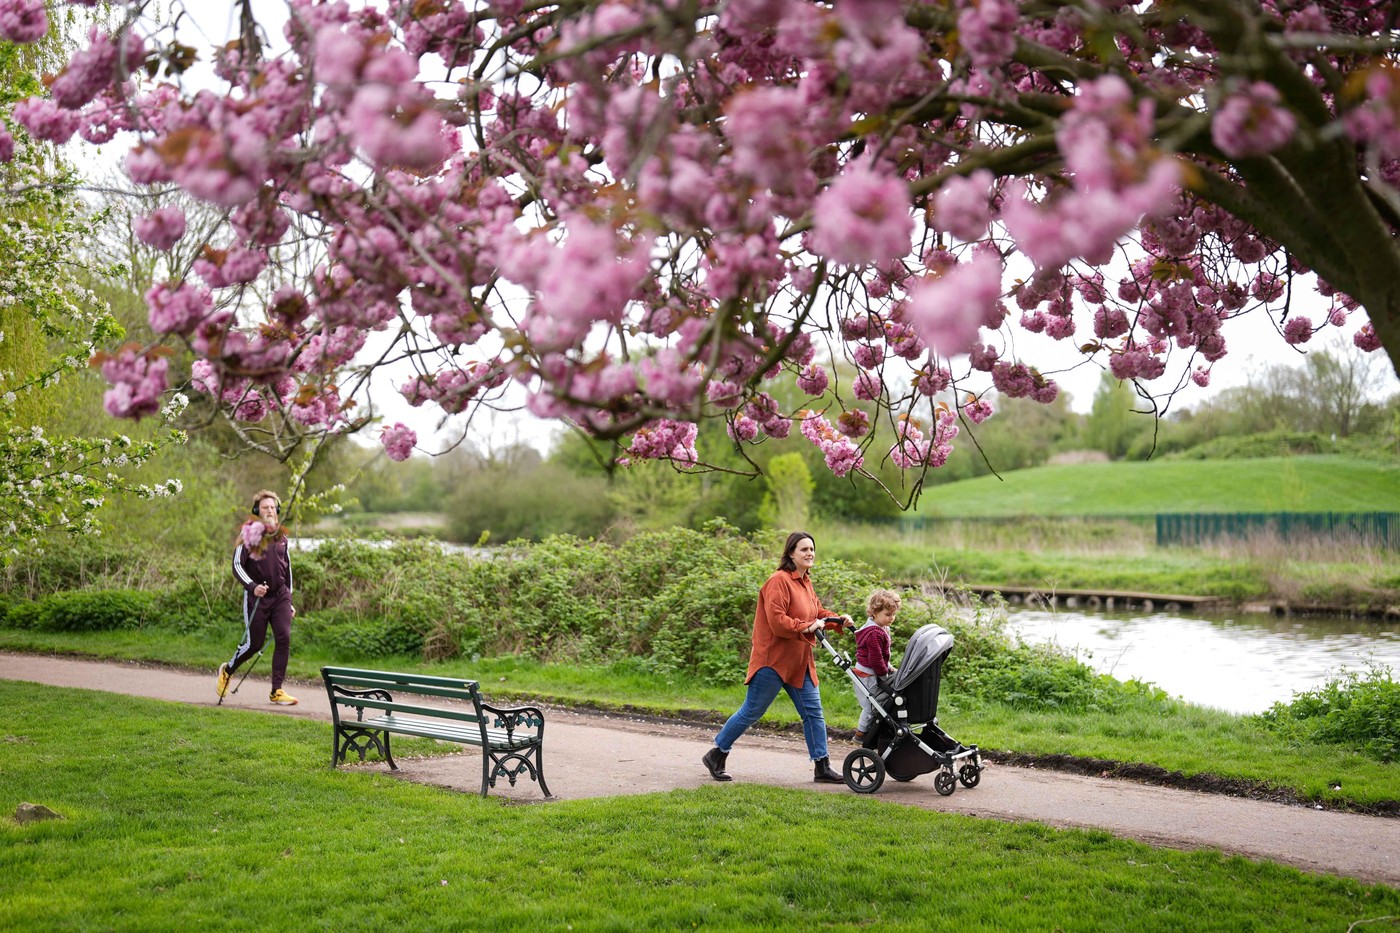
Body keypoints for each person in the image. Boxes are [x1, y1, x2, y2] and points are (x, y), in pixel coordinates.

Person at [702, 531, 853, 784]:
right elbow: (777, 621)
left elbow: (817, 612)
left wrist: (837, 619)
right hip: (772, 661)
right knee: (752, 711)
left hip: (799, 661)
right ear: (791, 553)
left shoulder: (805, 582)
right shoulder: (778, 581)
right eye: (804, 549)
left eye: (812, 549)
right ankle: (717, 753)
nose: (809, 553)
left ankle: (822, 766)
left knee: (813, 712)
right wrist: (806, 627)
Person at [216, 489, 298, 706]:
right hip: (257, 599)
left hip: (280, 597)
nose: (270, 510)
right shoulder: (248, 535)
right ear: (257, 511)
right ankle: (228, 670)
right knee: (255, 644)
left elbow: (287, 569)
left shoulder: (282, 537)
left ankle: (277, 691)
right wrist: (252, 587)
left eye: (273, 507)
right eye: (265, 507)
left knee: (284, 638)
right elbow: (236, 565)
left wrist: (290, 600)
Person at [852, 588, 901, 741]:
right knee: (871, 704)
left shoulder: (881, 627)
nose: (891, 618)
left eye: (893, 614)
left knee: (880, 698)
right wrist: (884, 675)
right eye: (888, 615)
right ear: (874, 612)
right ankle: (861, 733)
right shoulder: (874, 633)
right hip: (868, 674)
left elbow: (882, 655)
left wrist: (888, 666)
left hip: (874, 670)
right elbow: (875, 658)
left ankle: (878, 727)